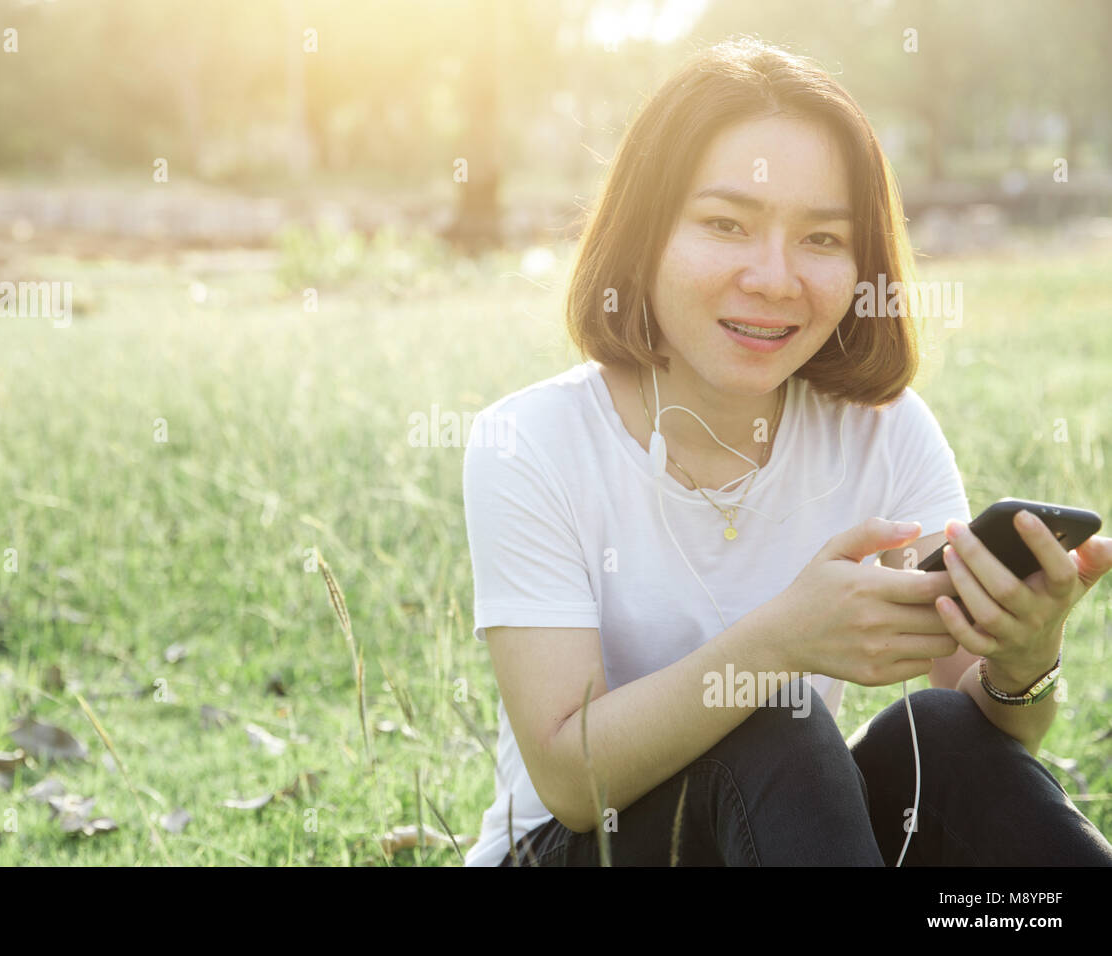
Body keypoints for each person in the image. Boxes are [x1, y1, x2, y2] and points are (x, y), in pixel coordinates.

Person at [460, 37, 1112, 867]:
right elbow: (564, 775)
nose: (774, 278)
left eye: (822, 239)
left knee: (940, 732)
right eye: (726, 224)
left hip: (784, 838)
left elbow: (992, 734)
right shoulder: (533, 443)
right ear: (645, 232)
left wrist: (1025, 658)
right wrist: (775, 646)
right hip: (579, 847)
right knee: (779, 719)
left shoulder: (884, 430)